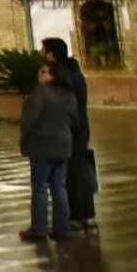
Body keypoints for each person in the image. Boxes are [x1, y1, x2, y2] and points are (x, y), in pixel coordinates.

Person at [41, 37, 97, 230]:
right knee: (80, 171)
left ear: (51, 54)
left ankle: (74, 216)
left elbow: (61, 106)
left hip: (68, 130)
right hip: (80, 128)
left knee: (69, 174)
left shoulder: (62, 77)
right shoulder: (75, 72)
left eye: (43, 50)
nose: (41, 53)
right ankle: (87, 215)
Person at [20, 61, 79, 242]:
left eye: (44, 71)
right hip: (63, 145)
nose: (40, 74)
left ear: (53, 75)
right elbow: (75, 119)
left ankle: (39, 229)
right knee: (59, 187)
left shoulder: (40, 93)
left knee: (40, 188)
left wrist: (25, 137)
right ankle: (62, 228)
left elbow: (30, 119)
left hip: (42, 145)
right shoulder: (68, 94)